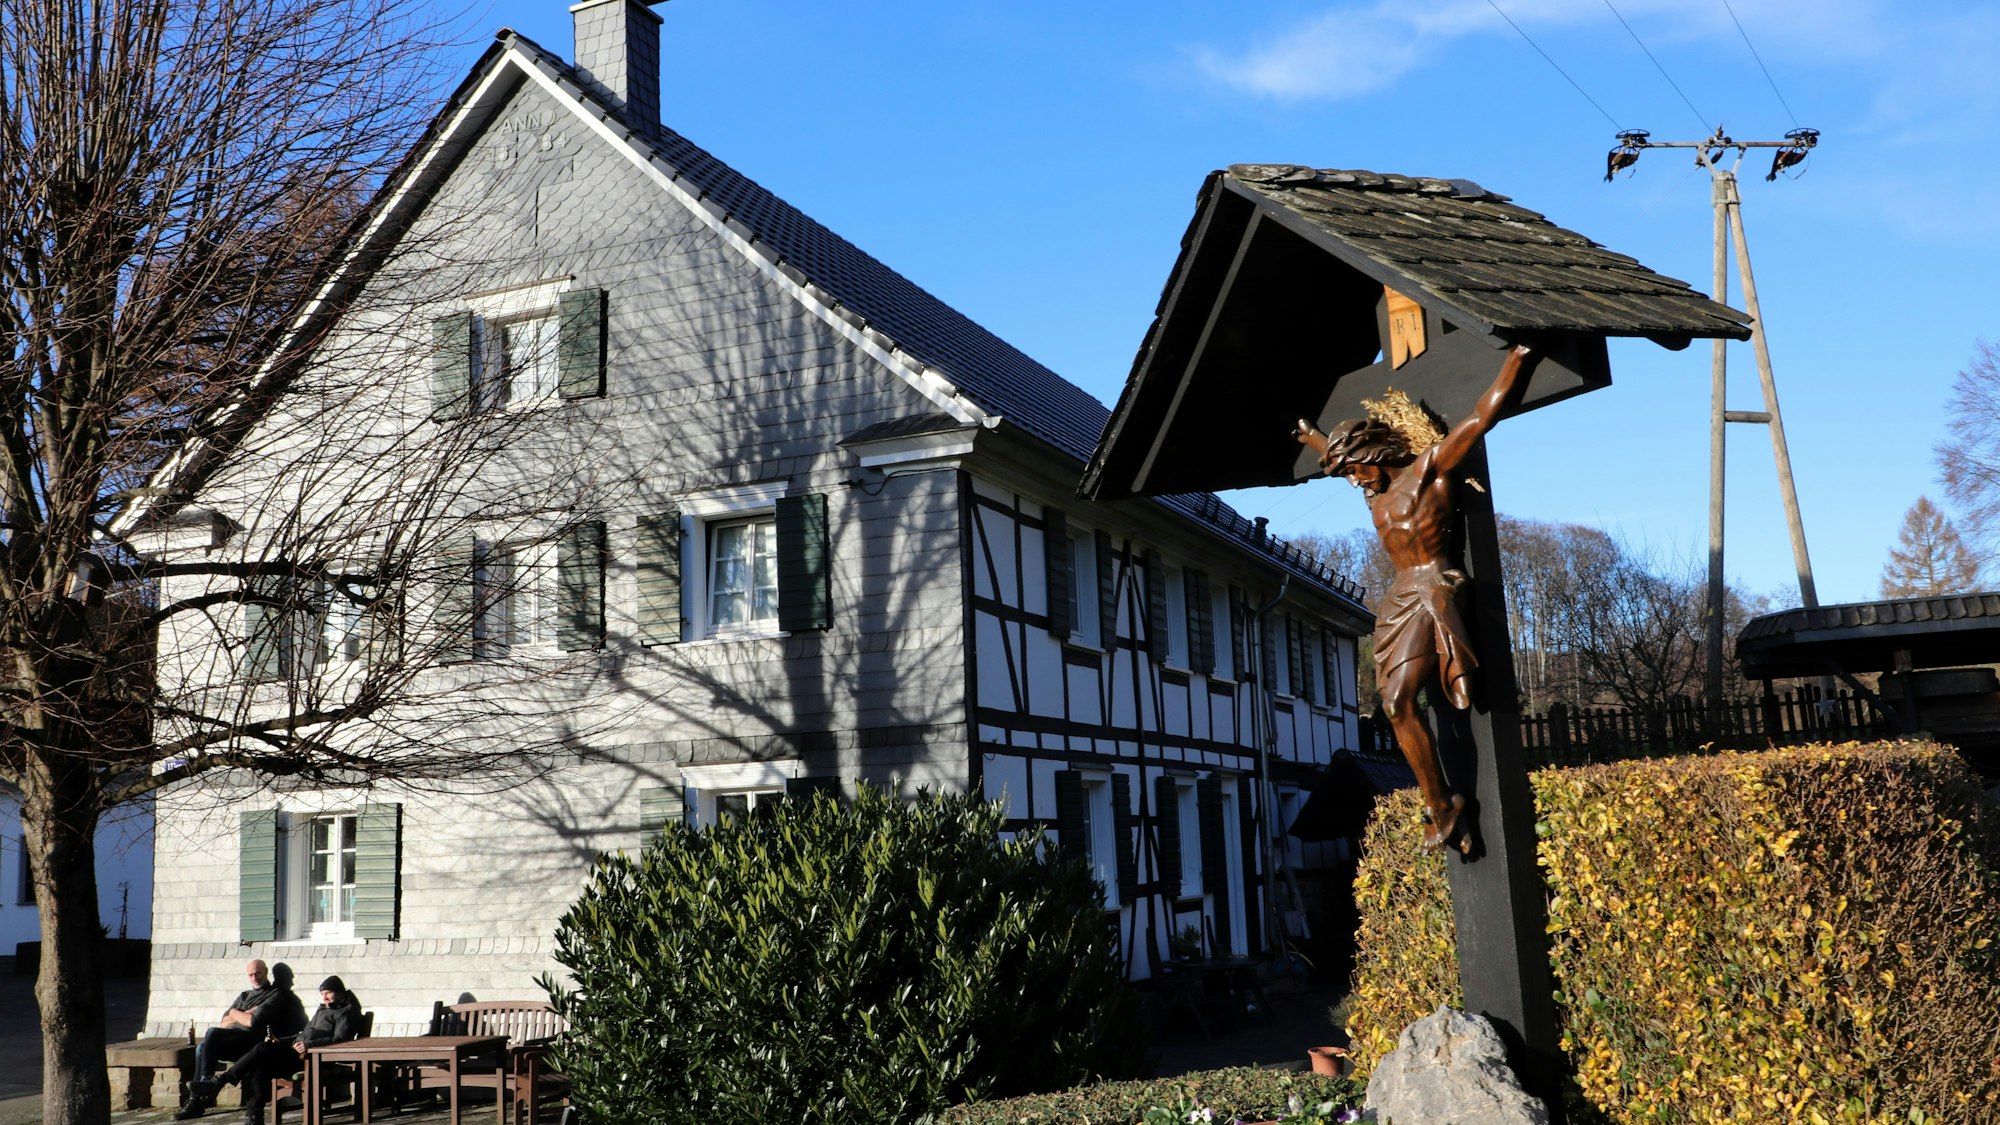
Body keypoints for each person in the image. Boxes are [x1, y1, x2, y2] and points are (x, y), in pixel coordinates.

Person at [1296, 343, 1536, 853]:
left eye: (1356, 469)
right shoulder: (1374, 493)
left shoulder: (1426, 470)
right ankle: (1440, 801)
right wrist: (1312, 437)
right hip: (1401, 593)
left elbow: (1479, 417)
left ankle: (1444, 805)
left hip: (1435, 580)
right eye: (1346, 474)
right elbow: (1335, 458)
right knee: (1392, 704)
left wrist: (1517, 360)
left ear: (1373, 455)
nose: (1354, 481)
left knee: (1410, 698)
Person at [186, 976, 365, 1125]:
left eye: (328, 993)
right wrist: (281, 1041)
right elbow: (302, 1035)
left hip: (312, 1058)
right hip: (298, 1051)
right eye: (322, 994)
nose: (324, 997)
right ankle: (254, 1116)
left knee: (262, 1049)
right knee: (261, 1059)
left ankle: (218, 1083)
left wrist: (311, 1045)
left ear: (339, 992)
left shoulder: (347, 1012)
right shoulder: (324, 1009)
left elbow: (341, 1040)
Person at [177, 960, 306, 1118]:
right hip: (233, 1039)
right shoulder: (244, 995)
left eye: (258, 973)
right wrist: (240, 1013)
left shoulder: (274, 994)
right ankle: (200, 1095)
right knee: (202, 1047)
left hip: (250, 1041)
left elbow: (253, 1022)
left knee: (211, 1034)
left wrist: (235, 1014)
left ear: (265, 972)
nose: (254, 977)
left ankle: (203, 1089)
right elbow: (223, 1023)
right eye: (251, 974)